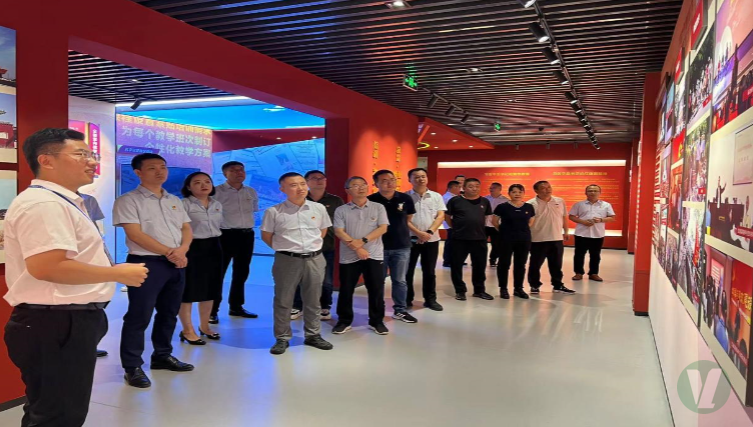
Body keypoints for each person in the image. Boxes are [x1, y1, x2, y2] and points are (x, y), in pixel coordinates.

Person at [3, 128, 148, 426]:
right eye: (81, 154)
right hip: (55, 322)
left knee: (56, 409)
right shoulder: (45, 204)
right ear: (47, 160)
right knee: (58, 415)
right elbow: (48, 267)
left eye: (91, 154)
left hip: (65, 320)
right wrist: (116, 273)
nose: (92, 161)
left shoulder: (64, 201)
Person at [113, 153, 195, 388]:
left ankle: (162, 355)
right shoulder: (128, 200)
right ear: (138, 173)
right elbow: (135, 234)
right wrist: (171, 252)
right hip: (145, 263)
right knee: (139, 315)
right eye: (152, 168)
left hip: (176, 263)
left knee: (169, 312)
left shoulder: (174, 200)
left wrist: (182, 250)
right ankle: (132, 366)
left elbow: (186, 228)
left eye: (163, 167)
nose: (160, 172)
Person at [261, 172, 334, 355]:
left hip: (315, 259)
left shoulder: (318, 208)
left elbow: (322, 231)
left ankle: (313, 335)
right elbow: (267, 236)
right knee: (283, 300)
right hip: (287, 260)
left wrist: (310, 247)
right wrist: (286, 249)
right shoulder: (274, 211)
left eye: (302, 183)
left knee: (313, 299)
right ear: (282, 189)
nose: (300, 188)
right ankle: (282, 337)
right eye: (293, 185)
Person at [332, 176, 390, 335]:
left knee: (376, 289)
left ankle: (377, 321)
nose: (361, 187)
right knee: (346, 289)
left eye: (363, 184)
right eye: (356, 185)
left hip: (374, 254)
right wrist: (357, 248)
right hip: (349, 256)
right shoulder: (341, 210)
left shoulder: (378, 207)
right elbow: (339, 231)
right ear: (348, 190)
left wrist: (362, 241)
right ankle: (344, 321)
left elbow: (383, 228)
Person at [290, 170, 344, 321]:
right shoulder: (299, 199)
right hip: (302, 247)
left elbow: (341, 222)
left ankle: (324, 306)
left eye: (322, 178)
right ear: (307, 182)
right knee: (299, 278)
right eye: (314, 178)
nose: (319, 181)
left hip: (326, 247)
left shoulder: (336, 201)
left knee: (326, 280)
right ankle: (297, 306)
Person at [178, 172, 224, 345]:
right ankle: (187, 330)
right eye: (197, 182)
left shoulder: (217, 204)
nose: (203, 185)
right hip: (191, 247)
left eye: (207, 182)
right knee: (188, 290)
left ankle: (205, 327)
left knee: (211, 288)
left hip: (214, 247)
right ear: (188, 187)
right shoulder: (183, 204)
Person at [368, 169, 418, 323]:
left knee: (400, 280)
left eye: (392, 180)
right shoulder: (371, 200)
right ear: (376, 184)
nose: (389, 183)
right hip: (378, 247)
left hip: (401, 246)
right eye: (384, 180)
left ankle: (400, 310)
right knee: (378, 281)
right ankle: (378, 311)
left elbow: (408, 218)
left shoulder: (405, 198)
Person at [212, 161, 260, 323]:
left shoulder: (251, 191)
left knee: (241, 273)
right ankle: (212, 310)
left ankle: (236, 306)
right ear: (225, 174)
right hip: (225, 235)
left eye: (241, 170)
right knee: (218, 273)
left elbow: (254, 211)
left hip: (246, 235)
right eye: (234, 170)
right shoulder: (216, 192)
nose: (239, 172)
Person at [445, 178, 494, 301]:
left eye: (477, 186)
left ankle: (479, 290)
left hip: (479, 238)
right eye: (471, 186)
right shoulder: (455, 201)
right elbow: (447, 217)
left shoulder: (485, 201)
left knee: (480, 266)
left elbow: (487, 218)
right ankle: (460, 291)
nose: (474, 188)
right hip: (459, 238)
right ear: (464, 188)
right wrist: (456, 228)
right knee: (456, 265)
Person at [405, 168, 446, 311]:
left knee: (429, 271)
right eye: (416, 177)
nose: (420, 179)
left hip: (431, 239)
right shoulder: (405, 197)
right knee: (407, 271)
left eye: (423, 176)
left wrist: (428, 232)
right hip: (410, 239)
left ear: (427, 178)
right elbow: (404, 219)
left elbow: (440, 216)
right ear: (409, 180)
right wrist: (418, 233)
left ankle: (430, 299)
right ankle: (406, 299)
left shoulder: (436, 196)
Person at [78, 192, 113, 357]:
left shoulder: (89, 200)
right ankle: (82, 345)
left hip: (94, 254)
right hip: (75, 258)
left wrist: (107, 256)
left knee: (96, 303)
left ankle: (89, 343)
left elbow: (97, 228)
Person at [527, 181, 575, 294]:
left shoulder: (559, 201)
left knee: (556, 264)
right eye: (543, 188)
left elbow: (564, 217)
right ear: (536, 191)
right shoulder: (530, 204)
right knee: (535, 264)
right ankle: (534, 285)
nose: (547, 190)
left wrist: (566, 231)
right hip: (538, 239)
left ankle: (557, 285)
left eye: (549, 187)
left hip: (556, 237)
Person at [493, 184, 535, 299]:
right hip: (506, 239)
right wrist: (504, 231)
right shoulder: (502, 207)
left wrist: (522, 230)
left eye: (520, 192)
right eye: (514, 192)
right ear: (509, 194)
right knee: (504, 263)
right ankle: (503, 288)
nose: (517, 194)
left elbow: (531, 221)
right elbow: (495, 221)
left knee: (520, 264)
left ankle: (518, 288)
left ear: (524, 193)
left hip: (524, 239)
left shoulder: (529, 207)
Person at [569, 184, 616, 282]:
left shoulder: (606, 205)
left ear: (599, 193)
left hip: (597, 234)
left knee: (595, 255)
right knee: (579, 254)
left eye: (595, 191)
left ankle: (593, 273)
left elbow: (612, 218)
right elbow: (571, 216)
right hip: (581, 233)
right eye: (590, 191)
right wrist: (583, 222)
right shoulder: (579, 204)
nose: (593, 192)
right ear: (585, 193)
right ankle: (578, 273)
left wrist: (601, 220)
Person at [485, 182, 509, 267]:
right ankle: (479, 260)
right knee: (481, 244)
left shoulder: (505, 201)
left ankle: (493, 259)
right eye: (490, 188)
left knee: (496, 245)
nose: (491, 189)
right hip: (485, 225)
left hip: (496, 225)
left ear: (500, 189)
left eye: (494, 188)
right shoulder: (485, 199)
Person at [442, 180, 462, 267]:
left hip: (453, 222)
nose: (460, 189)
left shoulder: (453, 197)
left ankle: (454, 259)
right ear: (453, 187)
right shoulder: (448, 198)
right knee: (450, 242)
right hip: (451, 223)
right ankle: (447, 260)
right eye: (458, 187)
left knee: (455, 242)